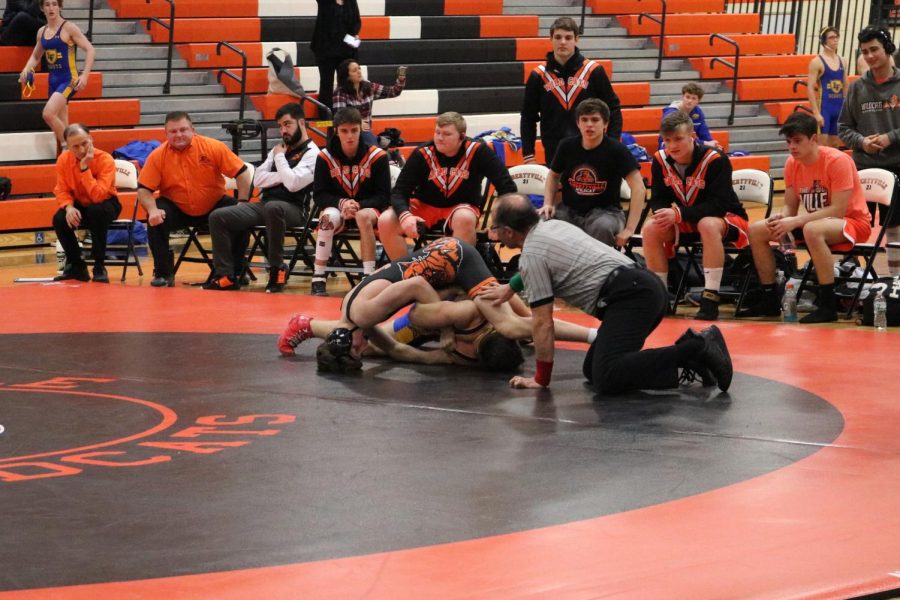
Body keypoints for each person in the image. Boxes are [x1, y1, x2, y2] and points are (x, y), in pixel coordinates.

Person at [479, 193, 733, 394]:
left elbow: (543, 323)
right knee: (593, 369)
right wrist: (510, 287)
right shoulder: (551, 226)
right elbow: (541, 264)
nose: (493, 233)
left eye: (495, 228)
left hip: (631, 297)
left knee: (607, 376)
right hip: (641, 288)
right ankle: (691, 360)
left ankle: (697, 347)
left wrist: (541, 379)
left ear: (509, 232)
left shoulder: (531, 254)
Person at [737, 112, 871, 323]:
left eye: (797, 141)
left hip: (852, 222)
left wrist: (796, 221)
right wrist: (782, 219)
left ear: (814, 139)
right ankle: (770, 299)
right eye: (789, 142)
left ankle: (827, 305)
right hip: (814, 222)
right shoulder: (792, 163)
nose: (792, 147)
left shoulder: (838, 160)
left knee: (811, 230)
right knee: (757, 229)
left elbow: (837, 210)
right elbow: (790, 206)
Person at [641, 111, 749, 321]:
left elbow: (718, 205)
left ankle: (710, 298)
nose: (672, 146)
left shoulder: (716, 158)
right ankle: (660, 298)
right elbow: (658, 198)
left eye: (678, 139)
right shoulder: (660, 159)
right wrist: (662, 213)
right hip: (689, 219)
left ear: (693, 135)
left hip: (728, 218)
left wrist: (679, 213)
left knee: (707, 224)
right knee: (651, 228)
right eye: (667, 140)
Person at [207, 102, 318, 293]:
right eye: (281, 126)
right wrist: (284, 174)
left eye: (287, 124)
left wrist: (280, 161)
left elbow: (293, 185)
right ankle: (226, 275)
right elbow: (258, 178)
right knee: (218, 216)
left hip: (295, 209)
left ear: (302, 123)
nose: (283, 130)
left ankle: (277, 268)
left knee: (274, 207)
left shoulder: (313, 153)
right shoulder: (278, 149)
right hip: (265, 205)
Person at [378, 111, 517, 260]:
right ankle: (405, 273)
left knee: (464, 217)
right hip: (426, 206)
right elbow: (399, 192)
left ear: (461, 136)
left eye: (446, 134)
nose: (439, 138)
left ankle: (458, 276)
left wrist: (499, 223)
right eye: (437, 132)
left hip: (460, 207)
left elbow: (507, 187)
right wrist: (405, 216)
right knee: (386, 220)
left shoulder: (478, 151)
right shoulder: (423, 152)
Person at [137, 111, 252, 288]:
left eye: (183, 130)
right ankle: (163, 273)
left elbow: (243, 173)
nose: (179, 135)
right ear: (165, 134)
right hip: (177, 209)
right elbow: (144, 189)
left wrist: (243, 202)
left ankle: (236, 270)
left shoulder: (213, 147)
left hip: (214, 206)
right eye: (173, 131)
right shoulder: (158, 155)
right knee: (156, 216)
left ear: (193, 130)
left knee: (239, 214)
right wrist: (152, 210)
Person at [276, 299, 531, 372]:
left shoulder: (479, 344)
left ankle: (311, 325)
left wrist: (450, 357)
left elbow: (513, 303)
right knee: (373, 342)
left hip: (434, 314)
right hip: (427, 314)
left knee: (376, 346)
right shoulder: (480, 310)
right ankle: (307, 325)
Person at [540, 98, 646, 247]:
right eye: (584, 119)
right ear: (578, 123)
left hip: (606, 213)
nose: (589, 124)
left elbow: (639, 188)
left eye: (595, 120)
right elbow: (553, 175)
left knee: (602, 227)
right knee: (541, 221)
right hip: (569, 212)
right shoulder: (566, 146)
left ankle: (598, 269)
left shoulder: (617, 150)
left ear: (605, 124)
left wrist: (629, 228)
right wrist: (547, 204)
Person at [839, 25, 900, 276]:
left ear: (887, 48)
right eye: (865, 52)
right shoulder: (856, 87)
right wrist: (862, 142)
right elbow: (843, 128)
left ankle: (896, 280)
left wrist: (890, 137)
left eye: (874, 49)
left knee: (894, 227)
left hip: (896, 165)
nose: (870, 56)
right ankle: (851, 276)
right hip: (863, 166)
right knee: (854, 224)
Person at [520, 16, 622, 165]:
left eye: (568, 37)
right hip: (555, 154)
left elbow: (614, 109)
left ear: (576, 39)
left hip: (593, 150)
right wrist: (529, 155)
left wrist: (612, 145)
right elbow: (528, 117)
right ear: (551, 39)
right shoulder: (538, 75)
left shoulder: (594, 71)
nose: (563, 42)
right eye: (558, 37)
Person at [310, 107, 390, 296]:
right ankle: (318, 276)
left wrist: (358, 205)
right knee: (327, 217)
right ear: (336, 131)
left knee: (362, 216)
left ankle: (368, 276)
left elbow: (384, 196)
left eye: (354, 130)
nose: (350, 136)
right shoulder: (324, 157)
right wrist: (343, 203)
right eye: (344, 131)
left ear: (360, 129)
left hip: (368, 209)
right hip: (339, 208)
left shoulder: (377, 156)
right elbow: (319, 194)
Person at [17, 0, 94, 146]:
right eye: (47, 5)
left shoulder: (69, 28)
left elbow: (90, 49)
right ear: (42, 8)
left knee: (48, 114)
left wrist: (84, 75)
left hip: (68, 80)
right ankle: (72, 155)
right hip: (53, 80)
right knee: (62, 124)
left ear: (60, 7)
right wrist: (26, 69)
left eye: (54, 4)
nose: (51, 8)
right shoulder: (42, 32)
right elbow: (36, 56)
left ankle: (71, 147)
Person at [51, 123, 119, 283]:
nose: (81, 150)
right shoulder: (63, 160)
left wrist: (84, 169)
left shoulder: (105, 159)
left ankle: (99, 265)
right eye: (75, 146)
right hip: (79, 203)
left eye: (84, 143)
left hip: (106, 203)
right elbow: (61, 189)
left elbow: (98, 195)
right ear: (68, 147)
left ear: (91, 139)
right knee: (59, 219)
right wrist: (68, 207)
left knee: (97, 211)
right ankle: (77, 265)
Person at [332, 59, 406, 146]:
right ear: (347, 76)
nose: (359, 72)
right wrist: (358, 122)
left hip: (366, 133)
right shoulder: (340, 93)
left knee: (394, 141)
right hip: (350, 133)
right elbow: (340, 117)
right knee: (374, 146)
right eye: (354, 70)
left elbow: (393, 92)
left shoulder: (368, 87)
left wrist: (401, 78)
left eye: (359, 68)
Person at [310, 0, 360, 111]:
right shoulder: (325, 2)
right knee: (326, 84)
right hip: (325, 49)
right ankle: (326, 119)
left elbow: (356, 21)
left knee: (347, 83)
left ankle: (347, 115)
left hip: (346, 48)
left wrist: (355, 34)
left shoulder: (351, 1)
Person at [807, 27, 848, 149]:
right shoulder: (816, 62)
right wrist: (816, 113)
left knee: (835, 145)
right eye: (831, 37)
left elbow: (845, 84)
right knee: (823, 145)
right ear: (823, 40)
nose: (835, 40)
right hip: (825, 108)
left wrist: (846, 107)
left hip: (838, 107)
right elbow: (809, 88)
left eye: (836, 37)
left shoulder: (843, 61)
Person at [659, 82, 721, 150]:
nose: (689, 101)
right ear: (683, 96)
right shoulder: (671, 113)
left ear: (698, 101)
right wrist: (704, 143)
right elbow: (678, 138)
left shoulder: (697, 112)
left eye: (693, 98)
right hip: (669, 146)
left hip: (688, 147)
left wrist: (713, 145)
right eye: (687, 97)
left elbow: (704, 134)